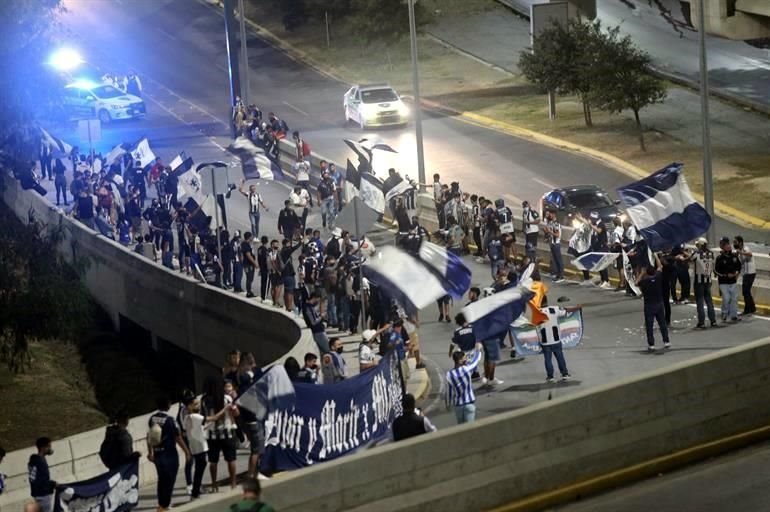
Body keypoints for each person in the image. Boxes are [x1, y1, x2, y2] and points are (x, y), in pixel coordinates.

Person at [147, 396, 190, 512]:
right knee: (169, 479)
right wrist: (186, 451)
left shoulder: (152, 419)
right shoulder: (170, 420)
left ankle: (161, 504)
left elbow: (149, 436)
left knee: (161, 479)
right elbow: (178, 437)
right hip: (169, 454)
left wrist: (150, 452)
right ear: (168, 405)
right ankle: (164, 506)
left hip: (157, 454)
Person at [202, 378, 239, 491]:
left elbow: (203, 417)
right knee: (231, 459)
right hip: (227, 432)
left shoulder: (204, 400)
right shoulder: (226, 398)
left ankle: (214, 485)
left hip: (212, 435)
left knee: (213, 461)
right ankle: (233, 483)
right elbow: (236, 413)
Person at [538, 301, 580, 382]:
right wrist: (577, 307)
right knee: (560, 357)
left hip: (545, 341)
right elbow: (566, 311)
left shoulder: (537, 312)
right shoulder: (554, 309)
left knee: (548, 359)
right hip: (556, 340)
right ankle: (565, 374)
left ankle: (550, 377)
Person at [636, 259, 671, 352]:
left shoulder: (645, 281)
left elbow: (636, 283)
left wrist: (641, 273)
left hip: (649, 305)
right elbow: (660, 267)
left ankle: (651, 344)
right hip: (659, 304)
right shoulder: (658, 277)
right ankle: (666, 341)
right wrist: (656, 256)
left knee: (649, 326)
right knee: (662, 324)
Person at [445, 343, 484, 424]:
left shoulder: (449, 374)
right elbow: (475, 360)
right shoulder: (466, 369)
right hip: (469, 404)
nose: (466, 360)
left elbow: (449, 391)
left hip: (458, 406)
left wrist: (448, 404)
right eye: (464, 358)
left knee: (461, 428)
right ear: (459, 361)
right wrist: (478, 350)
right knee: (469, 429)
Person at [691, 237, 718, 329]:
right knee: (709, 301)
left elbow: (690, 259)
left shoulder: (697, 253)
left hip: (699, 281)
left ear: (700, 245)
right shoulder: (711, 253)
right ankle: (713, 320)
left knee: (700, 302)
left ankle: (701, 322)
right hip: (708, 280)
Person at [715, 236, 742, 323]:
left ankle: (734, 315)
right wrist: (726, 275)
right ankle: (724, 313)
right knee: (726, 298)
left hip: (733, 281)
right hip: (723, 282)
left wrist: (736, 273)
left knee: (734, 298)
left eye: (728, 244)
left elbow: (739, 266)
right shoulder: (720, 258)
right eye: (726, 245)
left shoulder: (734, 256)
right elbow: (716, 270)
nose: (728, 246)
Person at [28, 437, 56, 512]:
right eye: (49, 446)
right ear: (43, 448)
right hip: (43, 495)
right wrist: (53, 484)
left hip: (37, 494)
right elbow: (42, 481)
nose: (50, 449)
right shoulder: (40, 462)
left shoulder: (34, 460)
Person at [734, 235, 756, 315]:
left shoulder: (745, 248)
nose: (734, 244)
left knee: (745, 291)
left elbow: (750, 254)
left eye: (735, 242)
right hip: (746, 273)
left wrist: (741, 252)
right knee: (746, 291)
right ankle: (752, 308)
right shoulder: (739, 252)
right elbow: (740, 265)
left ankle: (748, 309)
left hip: (750, 273)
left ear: (740, 243)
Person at [543, 210, 564, 282]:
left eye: (551, 214)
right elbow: (550, 233)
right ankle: (557, 274)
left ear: (554, 215)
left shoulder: (557, 224)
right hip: (552, 244)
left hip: (556, 244)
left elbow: (558, 235)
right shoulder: (551, 223)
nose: (550, 215)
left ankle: (561, 276)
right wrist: (546, 231)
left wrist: (549, 231)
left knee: (558, 260)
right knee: (555, 260)